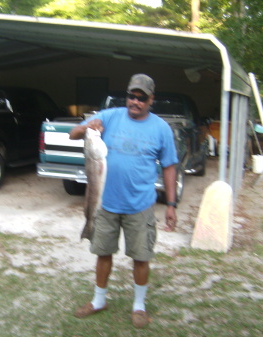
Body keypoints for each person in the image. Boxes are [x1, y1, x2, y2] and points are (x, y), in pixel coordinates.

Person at [70, 74, 178, 328]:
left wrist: (171, 205)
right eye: (132, 96)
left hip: (140, 206)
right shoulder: (109, 116)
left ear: (151, 100)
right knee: (103, 253)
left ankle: (138, 306)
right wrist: (88, 126)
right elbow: (74, 134)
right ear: (127, 96)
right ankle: (99, 300)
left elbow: (170, 166)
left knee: (141, 257)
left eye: (142, 98)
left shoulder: (161, 128)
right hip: (105, 204)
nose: (135, 102)